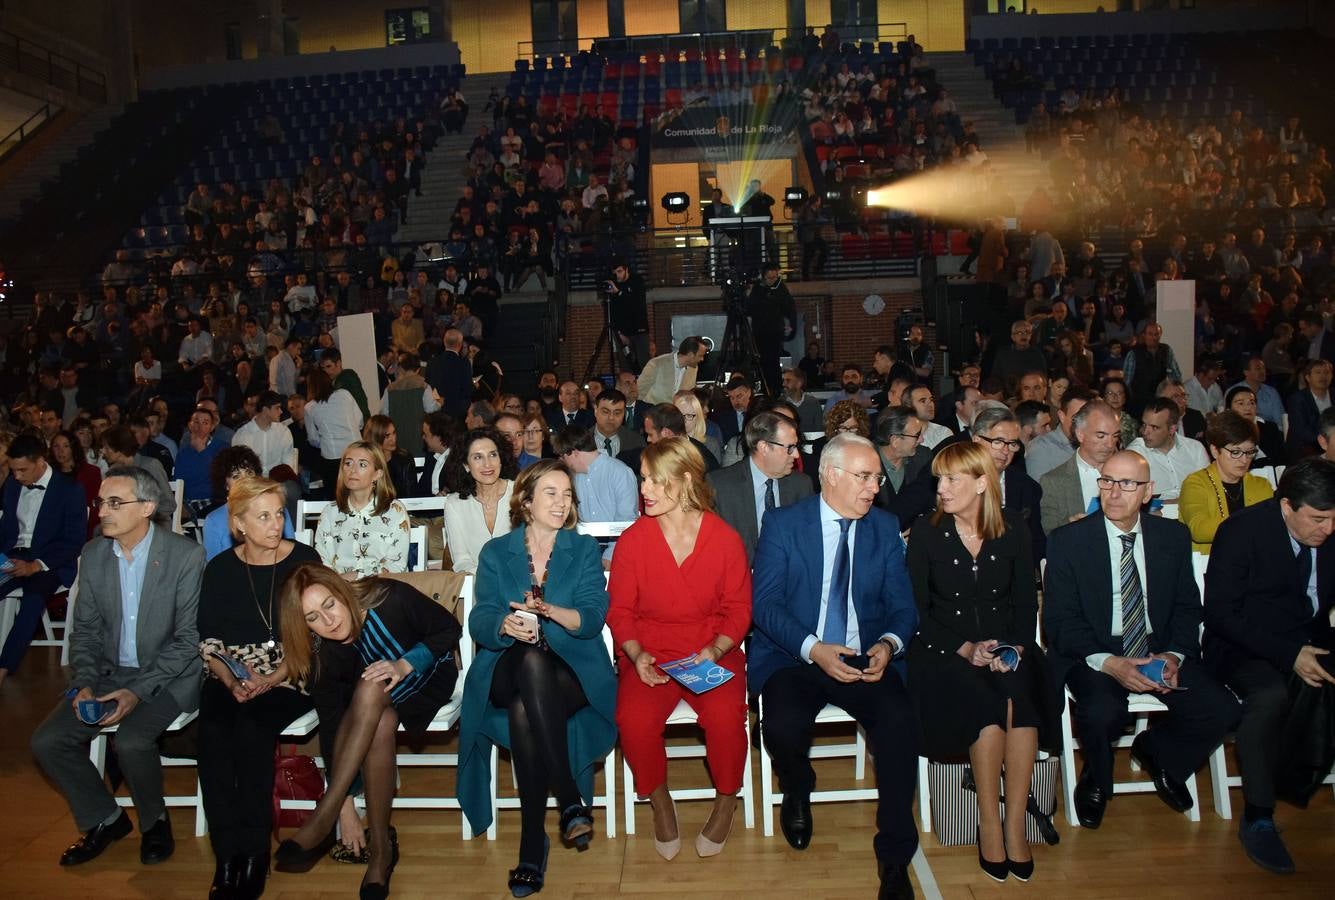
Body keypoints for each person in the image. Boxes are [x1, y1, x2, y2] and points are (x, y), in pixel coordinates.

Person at [750, 433, 919, 900]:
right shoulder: (784, 524)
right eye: (864, 476)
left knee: (901, 724)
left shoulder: (883, 527)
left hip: (864, 655)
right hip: (795, 655)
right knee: (782, 724)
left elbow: (904, 608)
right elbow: (764, 606)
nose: (873, 486)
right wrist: (813, 648)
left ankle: (894, 856)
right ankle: (798, 784)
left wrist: (888, 644)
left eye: (877, 477)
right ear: (830, 476)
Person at [1044, 451, 1241, 830]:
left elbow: (1187, 607)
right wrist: (1111, 663)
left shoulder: (1172, 536)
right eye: (1107, 481)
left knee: (1223, 710)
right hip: (1095, 648)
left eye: (1127, 484)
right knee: (1102, 711)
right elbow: (1060, 621)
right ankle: (1097, 780)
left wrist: (1174, 655)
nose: (1114, 492)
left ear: (1148, 491)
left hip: (1157, 645)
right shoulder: (1068, 541)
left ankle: (1160, 752)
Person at [457, 460, 618, 896]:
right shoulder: (496, 552)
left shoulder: (582, 550)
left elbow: (591, 617)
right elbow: (481, 618)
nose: (562, 502)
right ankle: (568, 798)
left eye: (567, 494)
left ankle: (532, 841)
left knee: (523, 708)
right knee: (528, 661)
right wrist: (506, 626)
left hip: (571, 669)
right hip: (507, 663)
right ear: (526, 501)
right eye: (551, 493)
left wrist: (548, 612)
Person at [29, 467, 200, 870]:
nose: (102, 511)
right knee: (47, 742)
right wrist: (84, 683)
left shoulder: (184, 555)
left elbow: (188, 640)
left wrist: (136, 691)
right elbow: (85, 632)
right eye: (101, 502)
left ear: (147, 508)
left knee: (131, 741)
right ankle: (105, 819)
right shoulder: (93, 555)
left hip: (170, 675)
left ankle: (155, 822)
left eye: (114, 503)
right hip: (109, 674)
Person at [907, 442, 1055, 882]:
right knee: (985, 704)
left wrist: (1013, 649)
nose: (942, 488)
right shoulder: (926, 531)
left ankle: (1015, 822)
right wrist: (966, 649)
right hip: (942, 651)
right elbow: (917, 613)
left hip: (1007, 648)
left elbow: (1026, 605)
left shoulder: (1012, 530)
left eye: (952, 479)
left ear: (981, 483)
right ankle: (989, 819)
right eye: (939, 479)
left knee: (1018, 699)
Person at [275, 564, 462, 896]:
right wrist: (347, 806)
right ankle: (380, 852)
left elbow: (449, 629)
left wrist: (404, 664)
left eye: (329, 604)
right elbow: (332, 724)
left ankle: (324, 812)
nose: (328, 622)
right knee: (380, 716)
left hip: (425, 674)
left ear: (341, 590)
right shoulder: (319, 651)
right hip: (372, 708)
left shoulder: (388, 597)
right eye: (312, 617)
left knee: (370, 686)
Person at [608, 437, 752, 859]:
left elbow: (740, 610)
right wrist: (636, 656)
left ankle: (726, 800)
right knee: (632, 719)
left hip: (712, 651)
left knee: (727, 718)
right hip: (650, 653)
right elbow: (619, 612)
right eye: (643, 480)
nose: (645, 489)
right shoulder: (634, 541)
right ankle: (659, 801)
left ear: (685, 480)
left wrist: (716, 649)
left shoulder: (724, 539)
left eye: (655, 480)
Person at [1203, 458, 1335, 874]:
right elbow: (1222, 615)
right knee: (1269, 696)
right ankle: (1259, 815)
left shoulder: (1329, 529)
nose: (1328, 529)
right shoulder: (1241, 532)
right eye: (1318, 519)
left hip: (1308, 634)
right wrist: (1290, 654)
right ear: (1286, 506)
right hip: (1243, 644)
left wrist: (1304, 648)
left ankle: (1301, 773)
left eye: (1334, 519)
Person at [196, 476, 321, 898]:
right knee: (212, 735)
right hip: (230, 674)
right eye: (263, 516)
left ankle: (253, 854)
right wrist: (231, 679)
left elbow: (318, 631)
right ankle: (226, 855)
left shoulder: (304, 560)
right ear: (240, 524)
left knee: (251, 733)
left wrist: (274, 675)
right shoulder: (220, 569)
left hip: (291, 671)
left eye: (279, 514)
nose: (274, 524)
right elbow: (209, 639)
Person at [0, 433, 87, 683]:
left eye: (22, 470)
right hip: (14, 554)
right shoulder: (13, 485)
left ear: (40, 461)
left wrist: (35, 565)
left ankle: (4, 667)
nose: (16, 476)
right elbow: (6, 531)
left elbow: (74, 541)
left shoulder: (70, 489)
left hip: (51, 561)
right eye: (13, 470)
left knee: (32, 601)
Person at [707, 411, 813, 563]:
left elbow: (807, 543)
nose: (796, 455)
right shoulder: (720, 486)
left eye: (796, 447)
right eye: (789, 447)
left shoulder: (801, 485)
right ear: (763, 447)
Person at [1179, 411, 1275, 553]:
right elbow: (1198, 529)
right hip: (1211, 561)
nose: (1244, 460)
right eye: (1235, 452)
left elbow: (1272, 527)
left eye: (1249, 452)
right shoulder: (1196, 483)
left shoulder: (1261, 485)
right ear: (1215, 451)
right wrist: (1250, 524)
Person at [314, 441, 411, 579]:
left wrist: (357, 577)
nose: (352, 470)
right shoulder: (330, 512)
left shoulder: (394, 511)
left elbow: (396, 567)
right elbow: (323, 563)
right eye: (348, 463)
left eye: (362, 465)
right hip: (338, 590)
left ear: (377, 474)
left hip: (380, 589)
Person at [972, 405, 1045, 562]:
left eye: (1012, 444)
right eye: (998, 442)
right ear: (976, 440)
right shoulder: (953, 480)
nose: (1006, 451)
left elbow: (1035, 543)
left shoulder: (1028, 488)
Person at [442, 426, 517, 574]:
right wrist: (487, 579)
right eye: (477, 457)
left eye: (493, 455)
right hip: (477, 586)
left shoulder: (520, 493)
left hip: (520, 584)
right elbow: (461, 561)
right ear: (466, 465)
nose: (487, 464)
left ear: (501, 459)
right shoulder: (455, 504)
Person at [1039, 400, 1121, 534]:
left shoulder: (1128, 472)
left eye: (1115, 436)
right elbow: (1049, 533)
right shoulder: (1053, 482)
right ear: (1080, 434)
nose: (1110, 444)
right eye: (1101, 436)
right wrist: (1071, 527)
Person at [202, 445, 295, 561]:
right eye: (236, 476)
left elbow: (291, 552)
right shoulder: (214, 521)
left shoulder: (277, 509)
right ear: (225, 485)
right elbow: (213, 567)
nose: (245, 480)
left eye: (249, 473)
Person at [1125, 397, 1210, 504]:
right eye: (1144, 424)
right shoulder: (1135, 454)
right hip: (1155, 517)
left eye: (1154, 427)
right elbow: (1129, 498)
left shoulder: (1195, 449)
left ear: (1172, 429)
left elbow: (1208, 490)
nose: (1145, 432)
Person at [870, 406, 935, 532]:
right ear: (895, 440)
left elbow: (930, 504)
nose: (922, 440)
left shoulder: (923, 457)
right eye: (917, 435)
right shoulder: (866, 460)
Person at [1024, 386, 1096, 481]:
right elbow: (1040, 493)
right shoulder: (1041, 449)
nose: (1083, 425)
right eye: (1076, 418)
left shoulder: (1099, 445)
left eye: (1088, 419)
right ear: (1062, 416)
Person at [747, 264, 797, 393]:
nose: (772, 280)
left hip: (775, 332)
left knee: (773, 362)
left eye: (774, 277)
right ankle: (765, 388)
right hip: (761, 332)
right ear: (764, 277)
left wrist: (792, 326)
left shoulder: (780, 288)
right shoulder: (758, 289)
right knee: (762, 362)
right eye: (769, 278)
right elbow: (751, 308)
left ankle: (775, 389)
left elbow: (790, 308)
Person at [49, 428, 101, 538]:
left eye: (66, 446)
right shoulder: (48, 474)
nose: (60, 451)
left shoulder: (91, 472)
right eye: (56, 446)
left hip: (83, 528)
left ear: (73, 448)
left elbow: (94, 506)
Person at [232, 390, 295, 479]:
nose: (281, 412)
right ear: (265, 410)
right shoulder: (242, 434)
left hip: (278, 483)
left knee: (292, 488)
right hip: (253, 484)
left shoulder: (283, 431)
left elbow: (288, 465)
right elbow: (241, 469)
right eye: (277, 408)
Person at [1224, 383, 1285, 468]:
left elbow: (1282, 459)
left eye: (1252, 403)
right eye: (1241, 403)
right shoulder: (1225, 432)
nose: (1248, 407)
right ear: (1229, 409)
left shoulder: (1270, 428)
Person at [1285, 358, 1333, 459]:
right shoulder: (1297, 399)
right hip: (1306, 449)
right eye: (1318, 372)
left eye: (1327, 372)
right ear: (1308, 377)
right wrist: (1327, 442)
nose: (1323, 376)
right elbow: (1301, 431)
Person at [607, 260, 650, 372]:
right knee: (625, 364)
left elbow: (636, 303)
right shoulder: (615, 284)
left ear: (626, 270)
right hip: (623, 332)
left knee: (643, 362)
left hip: (639, 329)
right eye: (615, 272)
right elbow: (613, 311)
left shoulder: (637, 281)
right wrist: (619, 333)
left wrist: (618, 293)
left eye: (620, 271)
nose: (618, 275)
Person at [364, 413, 417, 501]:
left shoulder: (405, 459)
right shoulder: (366, 461)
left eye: (394, 433)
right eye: (387, 436)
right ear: (376, 438)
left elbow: (410, 494)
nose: (393, 439)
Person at [590, 388, 643, 459]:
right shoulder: (580, 442)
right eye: (605, 412)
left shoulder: (636, 442)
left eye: (617, 413)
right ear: (596, 410)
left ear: (624, 413)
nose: (611, 417)